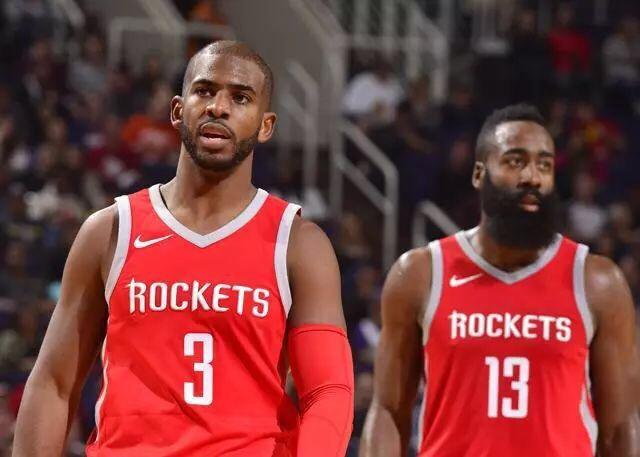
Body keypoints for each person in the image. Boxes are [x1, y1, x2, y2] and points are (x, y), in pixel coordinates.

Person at [12, 40, 354, 457]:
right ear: (178, 110)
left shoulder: (297, 243)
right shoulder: (110, 230)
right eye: (205, 91)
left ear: (266, 126)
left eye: (240, 98)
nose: (218, 107)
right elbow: (53, 383)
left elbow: (328, 392)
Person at [360, 104, 640, 456]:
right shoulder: (421, 274)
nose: (532, 177)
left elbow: (620, 425)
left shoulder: (597, 282)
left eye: (544, 165)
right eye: (515, 161)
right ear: (479, 173)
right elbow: (388, 410)